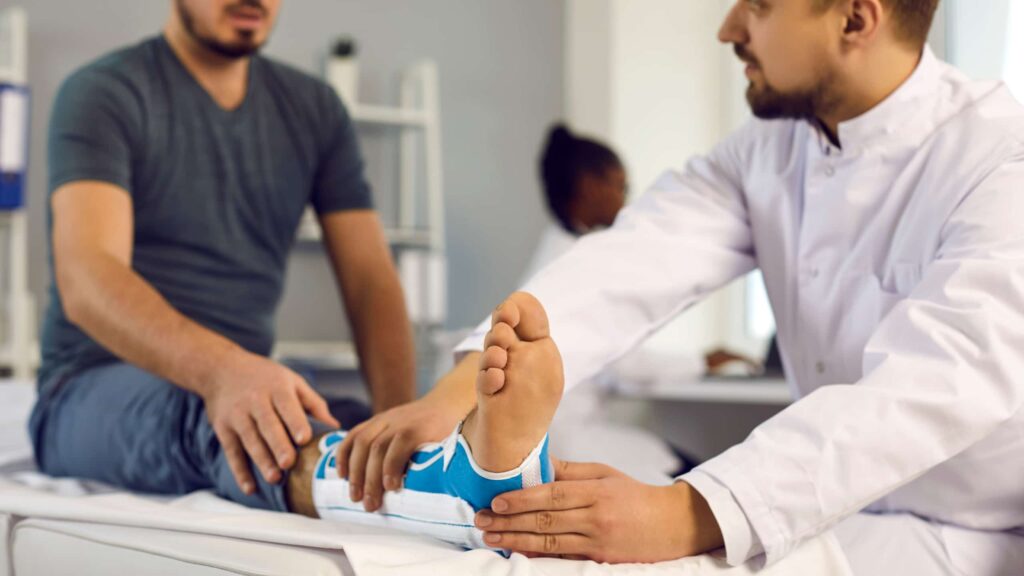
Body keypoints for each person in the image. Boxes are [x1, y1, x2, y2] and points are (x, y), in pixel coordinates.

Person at [337, 0, 1024, 572]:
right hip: (837, 508)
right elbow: (629, 263)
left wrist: (684, 511)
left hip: (968, 535)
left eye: (757, 5)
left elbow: (932, 386)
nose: (728, 28)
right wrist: (452, 399)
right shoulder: (766, 152)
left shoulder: (1001, 160)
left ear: (855, 19)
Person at [30, 0, 417, 513]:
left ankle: (430, 482)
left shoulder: (315, 110)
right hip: (88, 387)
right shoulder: (104, 93)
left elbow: (371, 282)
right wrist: (221, 373)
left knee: (348, 422)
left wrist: (399, 428)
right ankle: (425, 504)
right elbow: (87, 278)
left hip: (238, 380)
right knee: (232, 421)